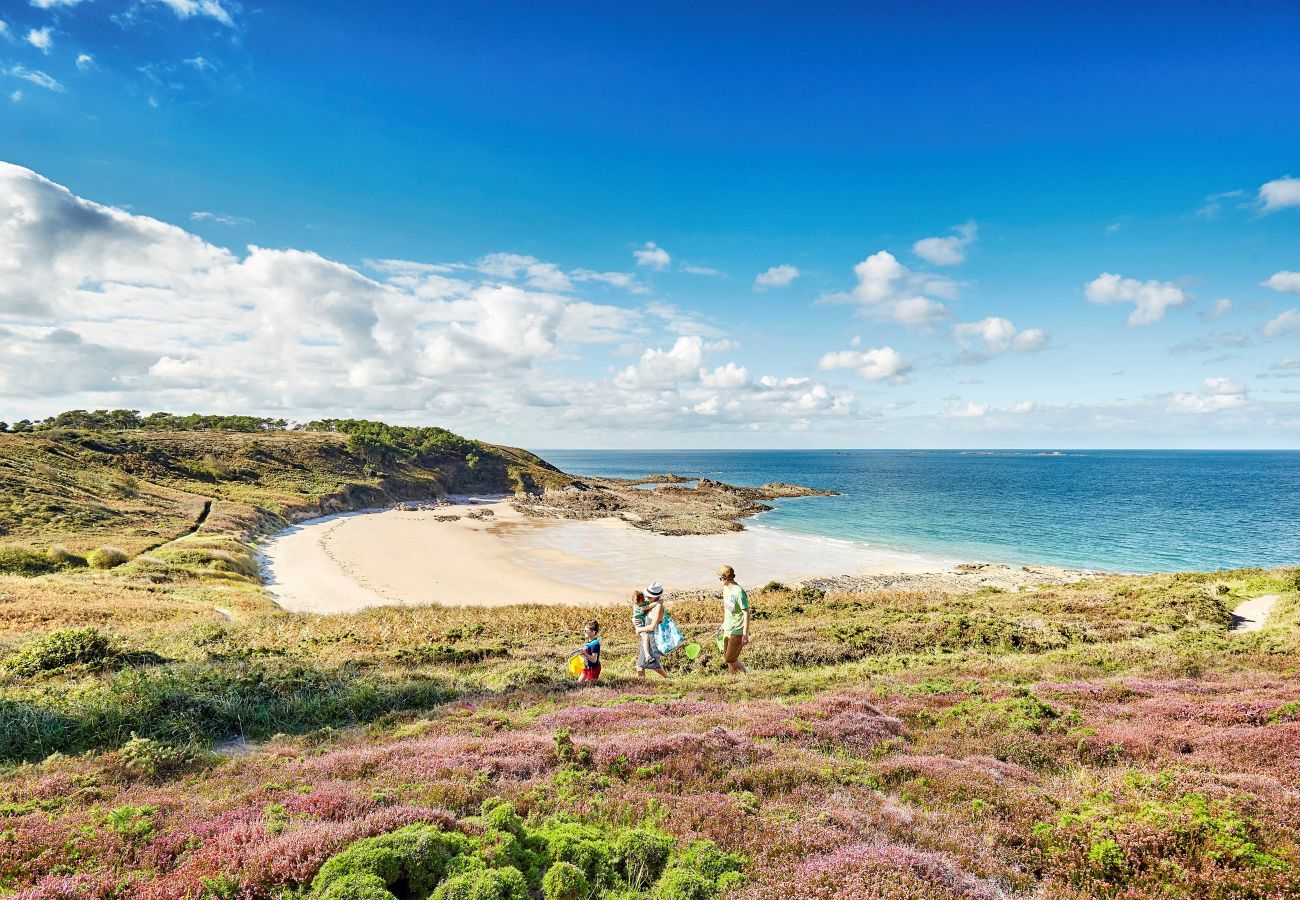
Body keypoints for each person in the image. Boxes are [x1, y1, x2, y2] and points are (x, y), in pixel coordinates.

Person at [717, 565, 750, 674]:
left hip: (738, 630)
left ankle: (747, 673)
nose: (719, 580)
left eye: (720, 578)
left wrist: (745, 634)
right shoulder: (726, 588)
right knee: (728, 659)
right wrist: (723, 625)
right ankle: (732, 679)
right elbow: (729, 610)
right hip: (728, 628)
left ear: (724, 578)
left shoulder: (739, 592)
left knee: (730, 658)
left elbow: (746, 612)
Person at [635, 581, 668, 679]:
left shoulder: (658, 606)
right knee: (649, 665)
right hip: (646, 637)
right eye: (647, 596)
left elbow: (652, 626)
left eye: (649, 597)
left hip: (651, 638)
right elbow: (639, 609)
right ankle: (668, 679)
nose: (647, 598)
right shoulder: (652, 604)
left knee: (642, 666)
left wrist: (639, 629)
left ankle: (667, 679)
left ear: (657, 596)